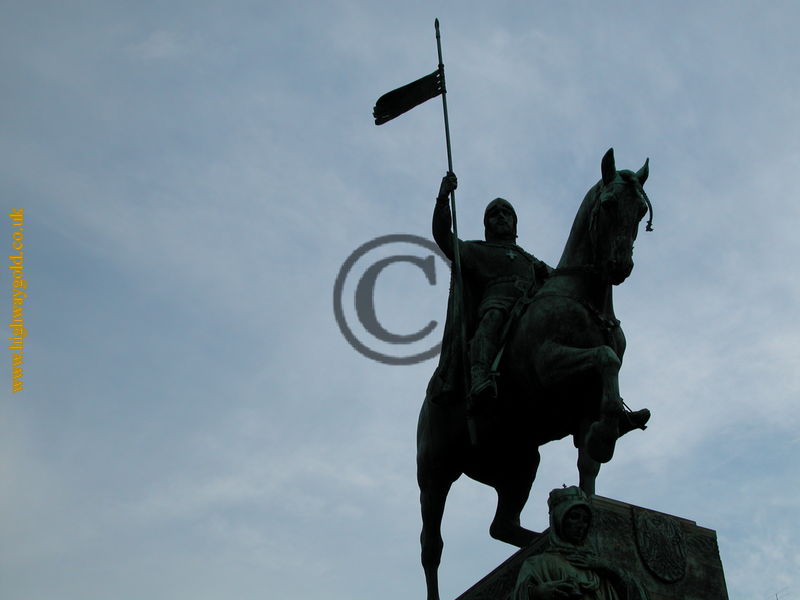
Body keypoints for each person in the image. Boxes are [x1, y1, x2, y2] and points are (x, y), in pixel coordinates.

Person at [430, 171, 552, 411]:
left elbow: (561, 278)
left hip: (530, 306)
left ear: (515, 223)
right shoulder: (477, 250)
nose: (501, 217)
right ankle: (480, 374)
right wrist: (443, 200)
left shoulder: (529, 260)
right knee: (492, 319)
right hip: (496, 303)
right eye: (494, 215)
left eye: (506, 213)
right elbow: (444, 237)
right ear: (486, 225)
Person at [511, 487, 648, 600]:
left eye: (585, 519)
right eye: (574, 517)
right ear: (559, 520)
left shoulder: (597, 565)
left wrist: (607, 568)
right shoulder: (538, 564)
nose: (581, 525)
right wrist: (537, 593)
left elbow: (639, 595)